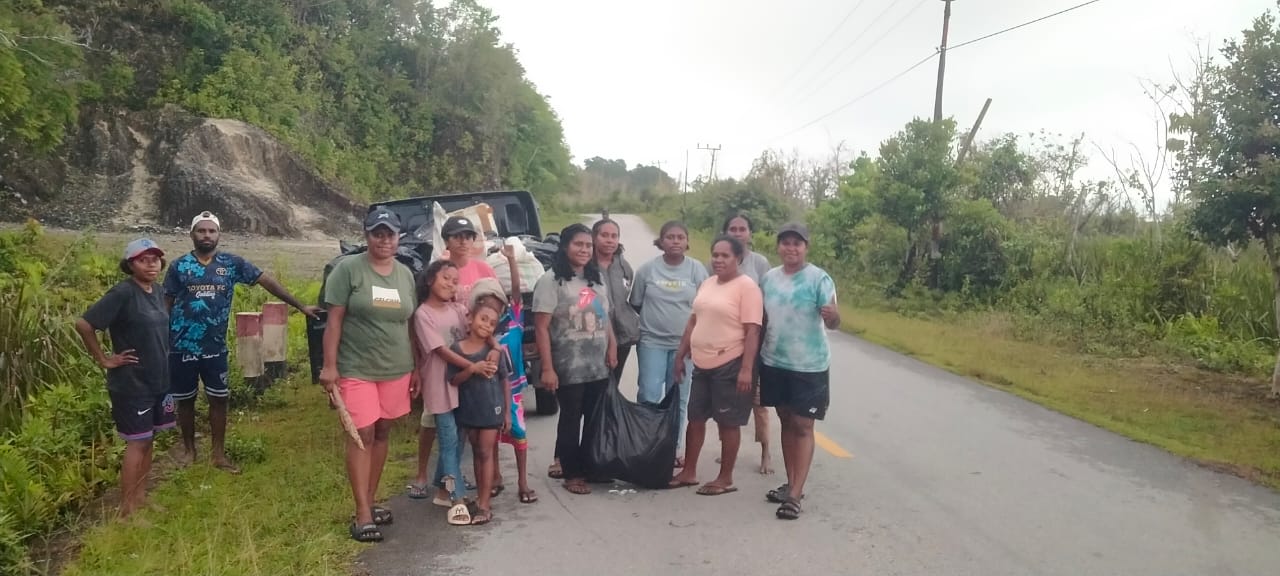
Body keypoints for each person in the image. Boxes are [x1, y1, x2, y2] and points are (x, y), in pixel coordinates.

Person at [164, 211, 319, 473]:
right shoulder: (178, 266)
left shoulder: (231, 263)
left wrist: (300, 306)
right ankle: (189, 450)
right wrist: (159, 341)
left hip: (214, 348)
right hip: (181, 347)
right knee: (185, 401)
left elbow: (266, 281)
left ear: (219, 235)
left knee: (219, 399)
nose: (206, 235)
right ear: (192, 234)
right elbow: (165, 305)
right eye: (201, 231)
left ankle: (218, 455)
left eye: (211, 231)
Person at [319, 207, 417, 542]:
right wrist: (329, 366)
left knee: (383, 430)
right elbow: (333, 322)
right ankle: (362, 513)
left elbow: (410, 324)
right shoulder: (348, 270)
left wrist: (417, 366)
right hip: (356, 367)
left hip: (396, 367)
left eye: (390, 234)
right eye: (378, 233)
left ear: (398, 237)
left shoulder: (405, 275)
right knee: (361, 432)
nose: (384, 240)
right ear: (367, 235)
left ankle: (371, 500)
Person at [73, 238, 174, 519]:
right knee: (137, 442)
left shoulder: (158, 291)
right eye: (143, 260)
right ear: (130, 265)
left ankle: (141, 498)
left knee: (149, 439)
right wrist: (104, 359)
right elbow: (84, 324)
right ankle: (127, 510)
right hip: (132, 382)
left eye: (155, 259)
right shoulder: (123, 293)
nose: (151, 264)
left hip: (158, 379)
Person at [407, 260, 499, 526]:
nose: (451, 284)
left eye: (455, 281)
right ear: (430, 280)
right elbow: (441, 351)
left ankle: (441, 492)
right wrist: (472, 366)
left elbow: (482, 327)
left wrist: (495, 348)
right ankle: (457, 498)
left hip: (463, 385)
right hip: (440, 385)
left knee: (457, 441)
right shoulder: (423, 314)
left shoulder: (458, 310)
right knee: (448, 442)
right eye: (445, 278)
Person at [758, 222, 840, 521]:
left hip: (810, 365)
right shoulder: (769, 279)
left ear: (806, 247)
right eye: (786, 242)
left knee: (803, 425)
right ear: (778, 246)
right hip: (774, 361)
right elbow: (762, 320)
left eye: (797, 243)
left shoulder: (819, 279)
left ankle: (794, 495)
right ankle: (791, 482)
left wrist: (834, 316)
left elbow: (833, 322)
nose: (791, 248)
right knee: (786, 420)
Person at [669, 236, 763, 495]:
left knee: (727, 422)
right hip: (702, 363)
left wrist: (746, 369)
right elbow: (693, 321)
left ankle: (725, 477)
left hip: (731, 363)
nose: (719, 260)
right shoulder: (708, 283)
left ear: (738, 258)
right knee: (695, 417)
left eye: (725, 256)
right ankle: (689, 471)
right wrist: (680, 355)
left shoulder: (747, 287)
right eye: (715, 255)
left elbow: (752, 331)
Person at [533, 223, 617, 495]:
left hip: (597, 365)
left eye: (588, 245)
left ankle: (591, 466)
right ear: (565, 247)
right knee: (571, 418)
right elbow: (541, 327)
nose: (584, 249)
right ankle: (572, 473)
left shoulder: (596, 278)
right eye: (578, 244)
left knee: (594, 418)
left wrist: (612, 346)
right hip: (568, 366)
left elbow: (604, 316)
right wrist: (547, 368)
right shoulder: (551, 281)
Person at [629, 220, 707, 466]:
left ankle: (673, 449)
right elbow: (636, 303)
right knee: (649, 394)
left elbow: (704, 306)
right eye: (670, 237)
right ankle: (646, 445)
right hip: (652, 341)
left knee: (678, 397)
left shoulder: (696, 270)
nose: (675, 241)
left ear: (687, 241)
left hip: (685, 346)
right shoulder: (647, 270)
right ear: (661, 241)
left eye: (680, 237)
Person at [471, 254, 538, 505]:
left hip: (515, 390)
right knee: (492, 436)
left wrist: (511, 261)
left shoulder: (514, 321)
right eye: (485, 301)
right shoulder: (481, 330)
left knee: (518, 432)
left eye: (496, 301)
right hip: (489, 390)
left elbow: (517, 292)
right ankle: (495, 478)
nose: (491, 306)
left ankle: (523, 482)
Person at [715, 213, 774, 475]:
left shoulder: (760, 263)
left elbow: (768, 300)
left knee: (758, 400)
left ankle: (766, 451)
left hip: (754, 339)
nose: (738, 233)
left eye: (742, 229)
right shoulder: (717, 262)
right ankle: (726, 448)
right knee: (725, 397)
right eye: (733, 229)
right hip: (725, 340)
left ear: (750, 234)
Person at [447, 299, 513, 526]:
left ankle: (485, 505)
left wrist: (507, 413)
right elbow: (453, 380)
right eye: (483, 319)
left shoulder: (495, 351)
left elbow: (505, 381)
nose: (486, 325)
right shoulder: (457, 349)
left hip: (491, 408)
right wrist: (472, 369)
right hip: (469, 409)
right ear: (471, 318)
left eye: (492, 323)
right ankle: (480, 497)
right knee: (477, 451)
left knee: (485, 452)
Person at [440, 215, 497, 305]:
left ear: (473, 240)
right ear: (446, 241)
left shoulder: (484, 269)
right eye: (457, 237)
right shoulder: (439, 272)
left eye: (468, 237)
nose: (463, 242)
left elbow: (496, 301)